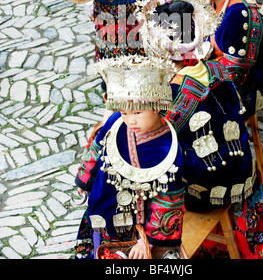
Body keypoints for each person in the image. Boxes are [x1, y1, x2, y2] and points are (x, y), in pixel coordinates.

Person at [135, 0, 257, 213]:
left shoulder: (172, 91)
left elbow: (154, 139)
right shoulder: (217, 69)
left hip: (205, 189)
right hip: (241, 171)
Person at [74, 55, 185, 259]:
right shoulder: (116, 122)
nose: (130, 120)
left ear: (157, 106)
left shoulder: (166, 147)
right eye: (125, 112)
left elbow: (167, 201)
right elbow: (97, 147)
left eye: (138, 113)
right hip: (103, 204)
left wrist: (147, 242)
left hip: (138, 227)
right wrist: (85, 179)